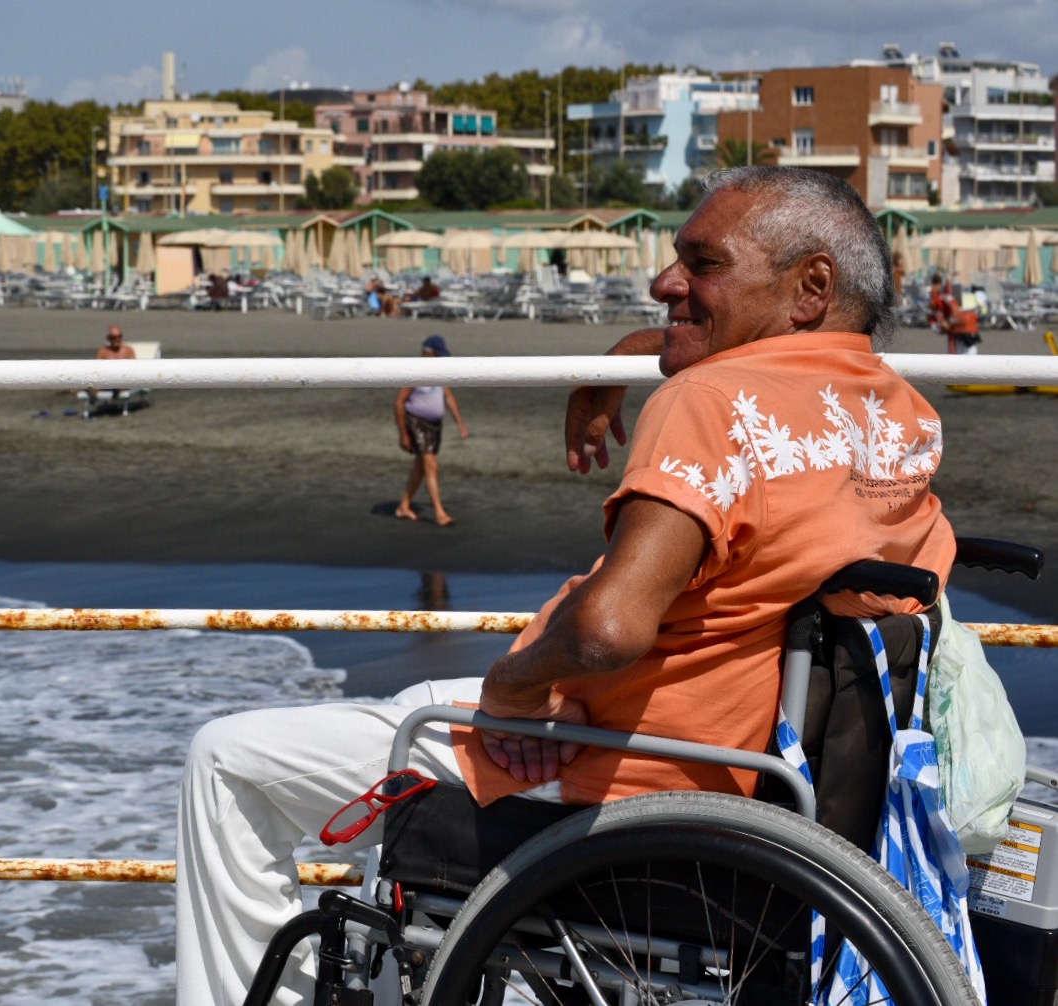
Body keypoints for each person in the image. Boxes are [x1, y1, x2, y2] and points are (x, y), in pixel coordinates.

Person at [175, 165, 957, 1006]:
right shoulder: (904, 417)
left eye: (702, 264)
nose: (665, 281)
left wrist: (514, 687)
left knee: (228, 761)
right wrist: (628, 352)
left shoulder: (712, 402)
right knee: (409, 712)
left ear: (809, 287)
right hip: (778, 784)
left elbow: (606, 632)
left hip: (632, 765)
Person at [393, 334, 469, 526]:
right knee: (431, 465)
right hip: (417, 422)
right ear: (428, 354)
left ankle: (404, 506)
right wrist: (403, 433)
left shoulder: (438, 372)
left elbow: (449, 396)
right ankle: (439, 512)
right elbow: (399, 403)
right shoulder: (415, 373)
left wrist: (460, 423)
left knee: (421, 467)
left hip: (435, 425)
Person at [928, 272, 981, 355]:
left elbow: (953, 312)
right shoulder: (943, 298)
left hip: (963, 330)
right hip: (963, 329)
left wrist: (946, 324)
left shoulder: (942, 298)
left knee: (961, 355)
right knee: (961, 355)